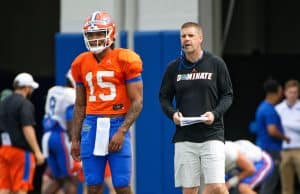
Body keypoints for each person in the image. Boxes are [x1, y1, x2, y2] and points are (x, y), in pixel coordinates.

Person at [70, 10, 143, 194]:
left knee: (121, 184)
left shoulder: (125, 59)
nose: (94, 38)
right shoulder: (80, 63)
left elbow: (137, 101)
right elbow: (80, 105)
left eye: (99, 33)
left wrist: (122, 131)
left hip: (117, 122)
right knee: (93, 185)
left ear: (110, 33)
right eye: (91, 34)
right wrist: (75, 138)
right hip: (91, 124)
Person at [159, 22, 233, 194]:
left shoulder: (216, 64)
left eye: (191, 35)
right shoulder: (173, 68)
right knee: (190, 190)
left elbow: (228, 95)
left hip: (212, 134)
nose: (186, 39)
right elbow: (164, 98)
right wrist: (173, 114)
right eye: (183, 36)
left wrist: (215, 114)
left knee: (217, 187)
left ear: (200, 38)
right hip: (185, 136)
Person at [0, 72, 45, 194]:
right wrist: (37, 152)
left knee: (4, 188)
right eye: (31, 88)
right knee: (21, 187)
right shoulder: (25, 104)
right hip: (21, 153)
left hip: (4, 150)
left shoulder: (3, 102)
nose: (31, 91)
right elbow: (27, 128)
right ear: (26, 88)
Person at [249, 78, 290, 194]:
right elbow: (272, 130)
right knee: (270, 181)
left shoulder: (263, 106)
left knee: (267, 180)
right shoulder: (269, 110)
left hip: (265, 148)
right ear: (278, 90)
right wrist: (285, 138)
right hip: (271, 150)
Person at [41, 70, 77, 194]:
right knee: (71, 178)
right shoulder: (71, 94)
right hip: (61, 136)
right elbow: (69, 116)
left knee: (58, 179)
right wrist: (74, 140)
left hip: (47, 137)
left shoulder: (53, 90)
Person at [275, 79, 300, 194]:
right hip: (283, 151)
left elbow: (280, 126)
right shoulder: (278, 109)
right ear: (285, 93)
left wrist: (285, 124)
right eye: (290, 92)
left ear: (298, 93)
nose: (292, 95)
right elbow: (274, 129)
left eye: (295, 92)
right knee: (286, 186)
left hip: (299, 150)